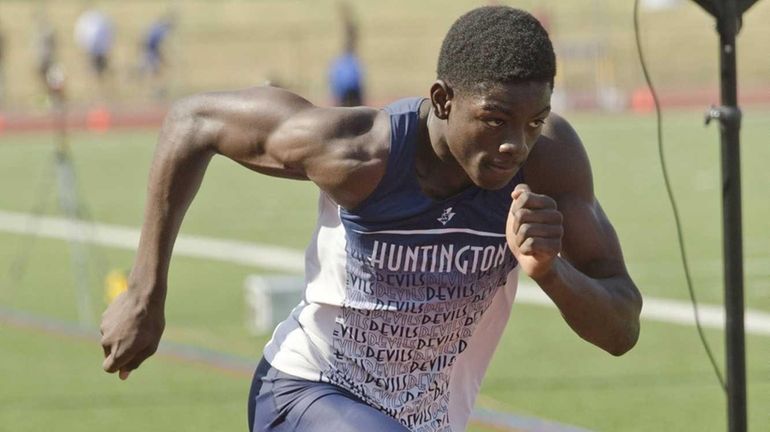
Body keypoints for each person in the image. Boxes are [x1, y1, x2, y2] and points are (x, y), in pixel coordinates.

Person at [100, 6, 642, 432]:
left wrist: (551, 271)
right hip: (305, 393)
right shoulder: (362, 154)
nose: (512, 144)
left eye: (534, 122)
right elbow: (191, 122)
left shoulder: (548, 163)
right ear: (443, 100)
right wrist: (146, 291)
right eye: (495, 120)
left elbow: (621, 329)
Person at [328, 1, 364, 107]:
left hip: (348, 90)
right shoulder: (347, 62)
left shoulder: (346, 62)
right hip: (348, 90)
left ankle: (347, 18)